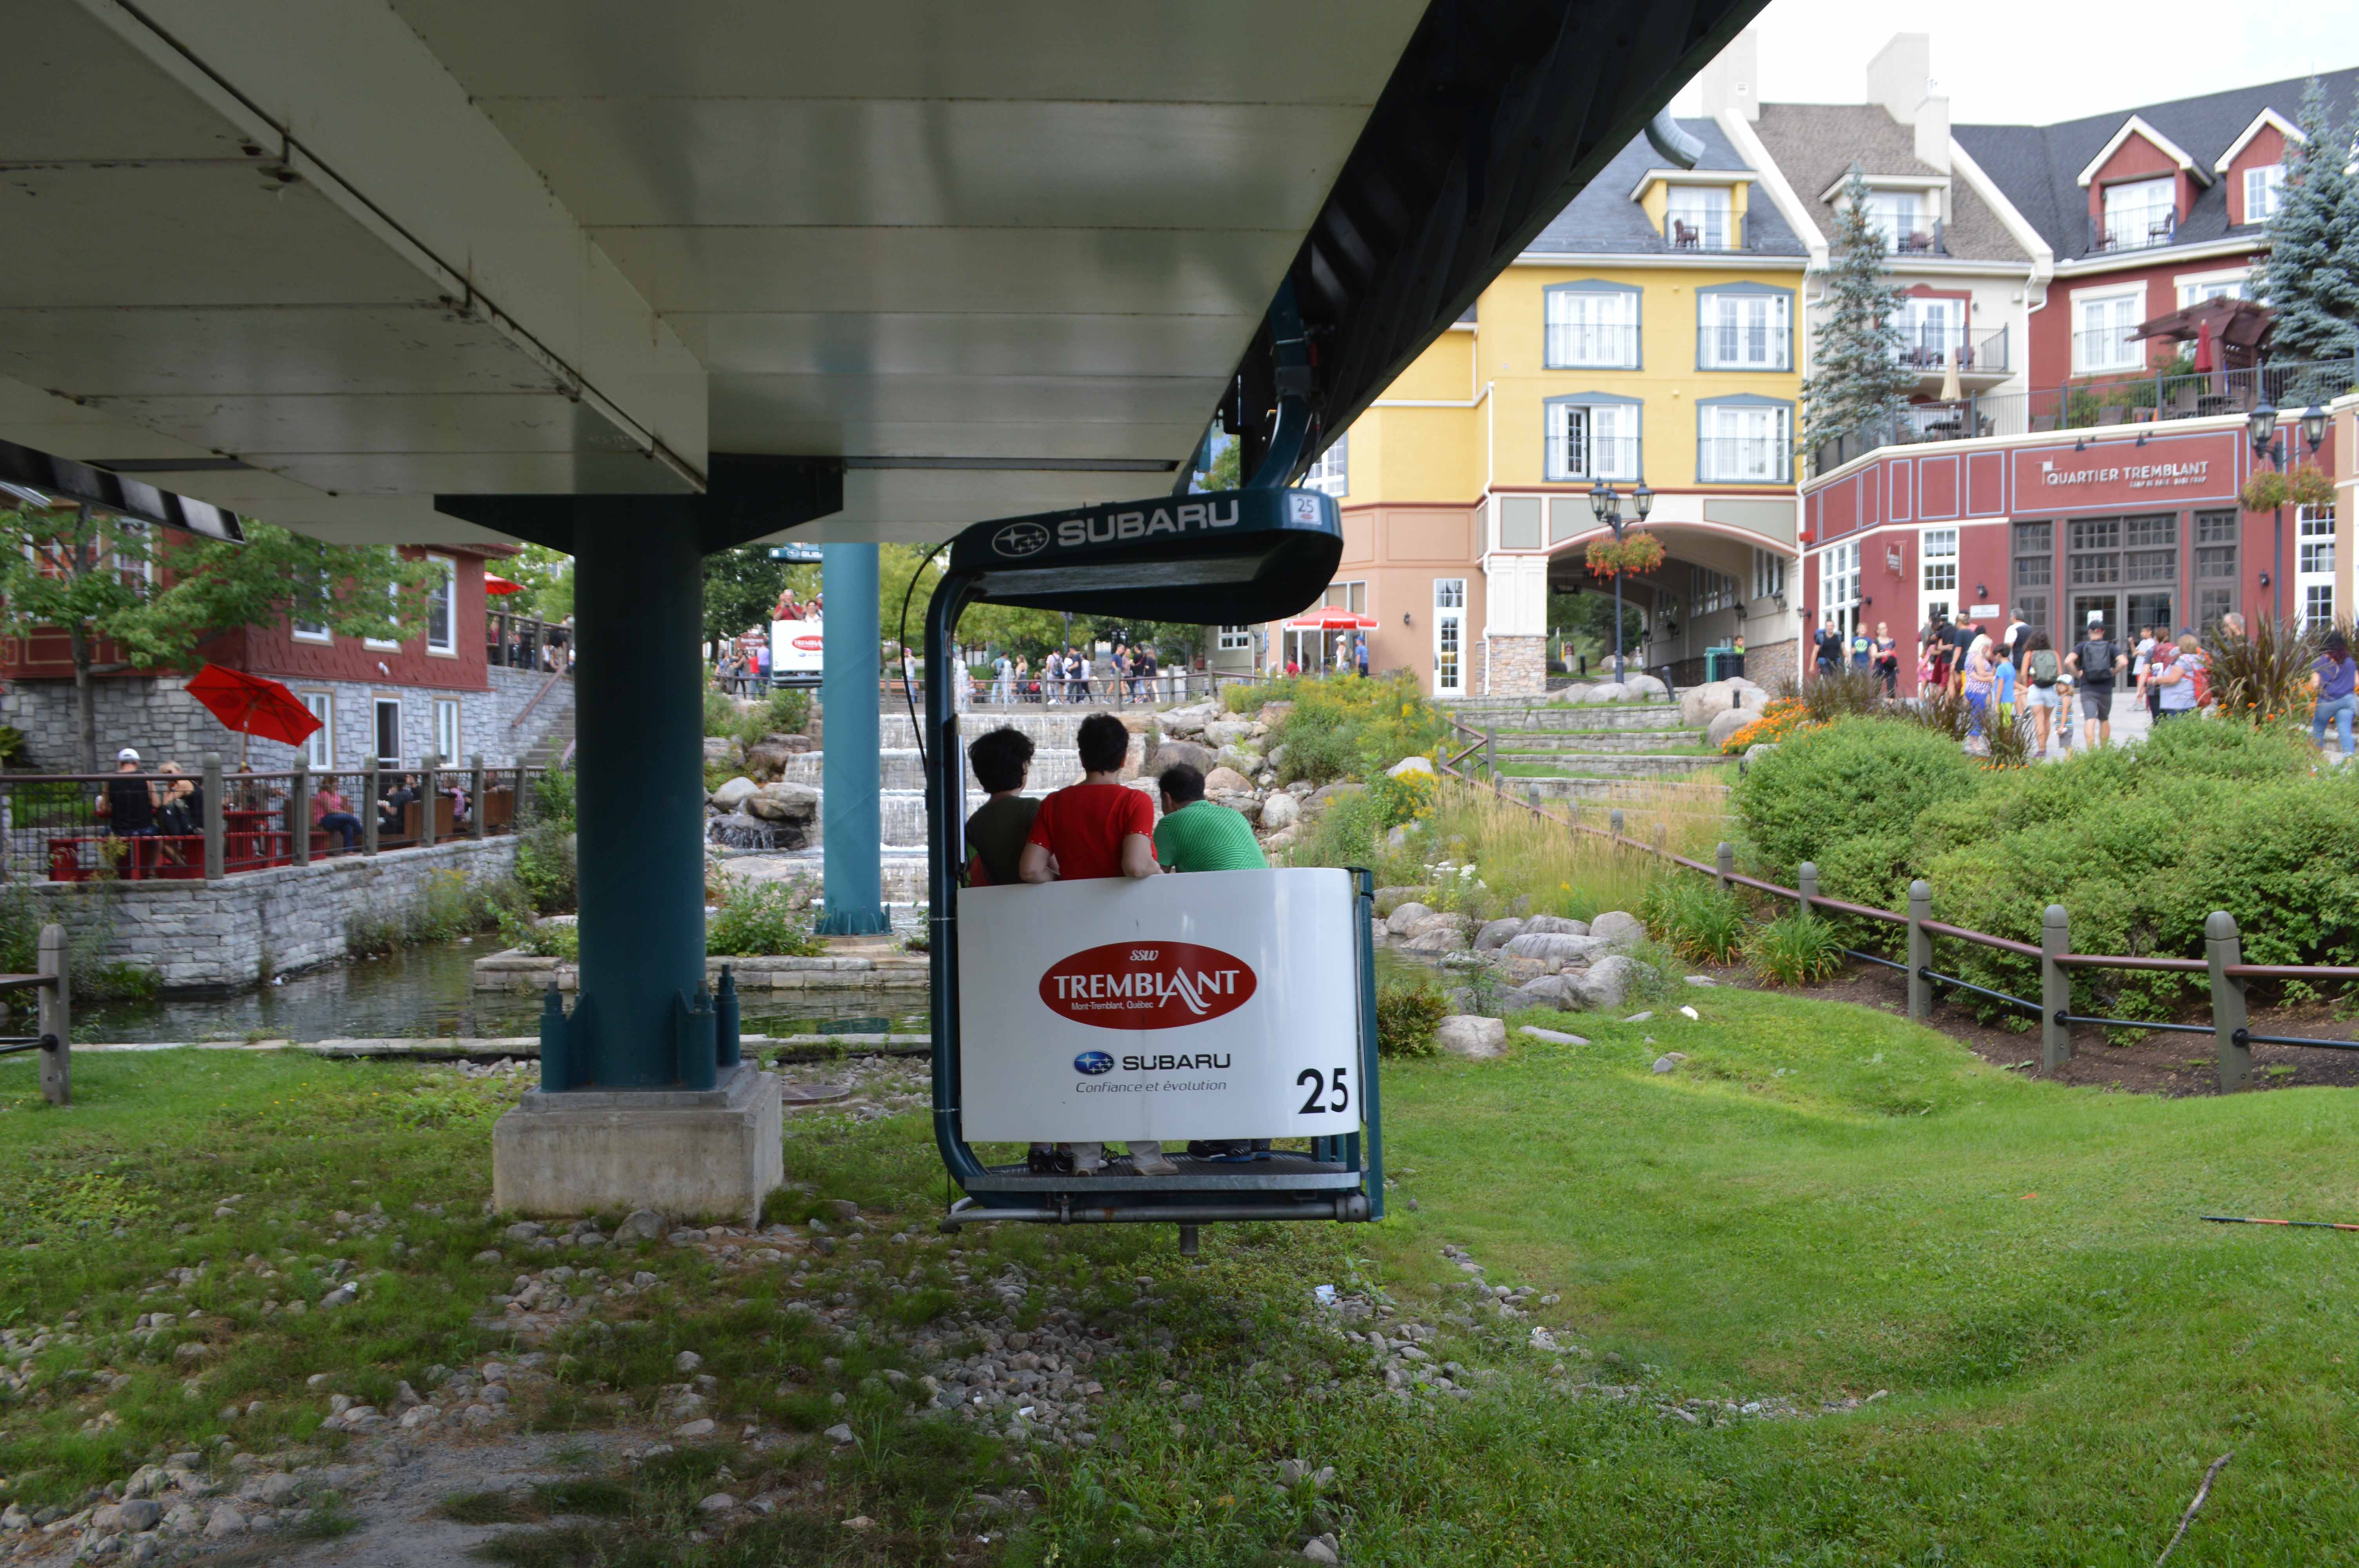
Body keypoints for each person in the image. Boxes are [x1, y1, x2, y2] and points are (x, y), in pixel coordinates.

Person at [1019, 713, 1167, 1175]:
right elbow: (1137, 865)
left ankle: (1085, 1155)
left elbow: (1029, 870)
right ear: (1124, 756)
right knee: (1135, 1047)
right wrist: (1167, 878)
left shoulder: (1055, 804)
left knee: (1082, 1047)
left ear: (1082, 755)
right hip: (1128, 940)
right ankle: (1146, 1157)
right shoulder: (1134, 801)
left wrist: (1059, 877)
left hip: (1073, 944)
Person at [1152, 762, 1266, 873]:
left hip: (1223, 891)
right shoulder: (1235, 815)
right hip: (1266, 888)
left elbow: (1153, 880)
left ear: (1167, 799)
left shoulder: (1169, 824)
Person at [962, 727, 1038, 886]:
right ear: (1022, 769)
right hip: (1037, 904)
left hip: (995, 907)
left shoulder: (974, 823)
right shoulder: (1032, 809)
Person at [2067, 620, 2119, 749]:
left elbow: (2068, 661)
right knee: (2104, 719)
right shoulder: (2110, 647)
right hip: (2106, 688)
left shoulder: (2082, 646)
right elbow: (2124, 662)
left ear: (2090, 631)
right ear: (2103, 632)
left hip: (2088, 688)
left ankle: (2091, 751)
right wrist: (2113, 672)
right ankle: (2104, 751)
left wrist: (2078, 674)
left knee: (2090, 719)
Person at [2310, 630, 2356, 762]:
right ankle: (2349, 765)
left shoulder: (2320, 662)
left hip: (2327, 701)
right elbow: (2357, 682)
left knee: (2318, 731)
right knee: (2345, 733)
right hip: (2347, 701)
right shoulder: (2349, 662)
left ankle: (2317, 763)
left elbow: (2315, 685)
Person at [93, 748, 157, 837]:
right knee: (159, 839)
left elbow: (104, 808)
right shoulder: (147, 778)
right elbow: (156, 804)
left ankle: (112, 852)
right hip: (144, 829)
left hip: (118, 830)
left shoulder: (110, 780)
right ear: (137, 762)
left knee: (106, 834)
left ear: (119, 763)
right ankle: (155, 852)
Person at [2022, 631, 2062, 756]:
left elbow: (2024, 674)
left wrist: (2025, 687)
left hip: (2035, 688)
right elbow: (2060, 674)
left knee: (2038, 721)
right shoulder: (2054, 654)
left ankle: (2041, 749)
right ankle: (2044, 744)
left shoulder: (2029, 654)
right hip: (2051, 689)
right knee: (2046, 719)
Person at [2153, 633, 2203, 723]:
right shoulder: (2197, 659)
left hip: (2177, 704)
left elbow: (2173, 680)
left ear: (2181, 647)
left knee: (2177, 731)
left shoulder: (2183, 661)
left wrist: (2155, 679)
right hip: (2191, 701)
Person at [1961, 633, 1996, 745]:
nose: (1988, 649)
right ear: (1982, 646)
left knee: (1975, 715)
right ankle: (1975, 741)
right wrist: (1992, 676)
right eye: (1987, 647)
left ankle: (1973, 739)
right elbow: (1981, 673)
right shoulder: (1978, 657)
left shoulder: (1970, 655)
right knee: (1978, 715)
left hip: (1972, 688)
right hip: (1979, 690)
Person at [314, 778, 363, 851]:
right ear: (330, 785)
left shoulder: (335, 793)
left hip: (335, 818)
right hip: (325, 819)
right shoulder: (324, 794)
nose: (338, 785)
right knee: (348, 817)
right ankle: (362, 832)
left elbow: (338, 807)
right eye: (336, 783)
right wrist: (343, 812)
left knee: (348, 826)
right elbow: (329, 810)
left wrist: (344, 803)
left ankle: (349, 851)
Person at [1871, 622, 1899, 697]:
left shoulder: (1892, 641)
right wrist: (1884, 654)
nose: (1884, 630)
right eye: (1882, 628)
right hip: (1879, 667)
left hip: (1890, 667)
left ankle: (1891, 707)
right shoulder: (1875, 641)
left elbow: (1895, 654)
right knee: (1876, 689)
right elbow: (1874, 655)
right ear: (1878, 631)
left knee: (1891, 689)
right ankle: (1876, 707)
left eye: (1885, 628)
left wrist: (1896, 666)